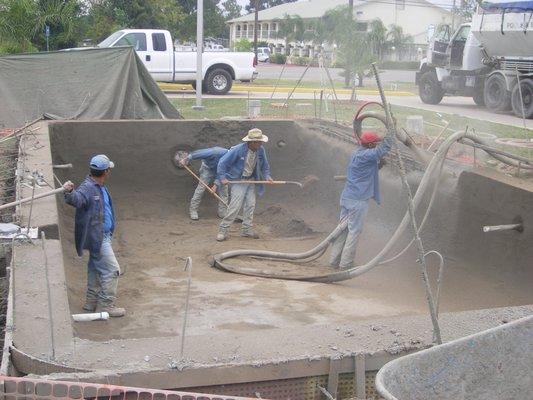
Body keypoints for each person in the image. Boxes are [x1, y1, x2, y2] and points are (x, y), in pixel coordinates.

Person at [62, 155, 125, 317]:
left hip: (101, 236)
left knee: (95, 268)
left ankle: (91, 302)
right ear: (105, 172)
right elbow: (77, 199)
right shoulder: (88, 188)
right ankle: (106, 305)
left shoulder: (98, 186)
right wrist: (70, 192)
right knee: (112, 270)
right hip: (98, 238)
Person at [329, 131, 393, 269]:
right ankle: (346, 264)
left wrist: (377, 162)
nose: (377, 145)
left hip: (348, 197)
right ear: (370, 145)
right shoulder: (367, 155)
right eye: (375, 143)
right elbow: (383, 149)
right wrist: (391, 133)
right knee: (354, 231)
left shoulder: (358, 153)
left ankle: (334, 261)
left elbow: (373, 158)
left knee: (342, 230)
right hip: (357, 201)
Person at [215, 128, 273, 242]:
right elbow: (222, 163)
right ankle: (223, 230)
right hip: (239, 181)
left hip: (251, 180)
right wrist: (222, 177)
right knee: (235, 206)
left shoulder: (260, 150)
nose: (261, 143)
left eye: (261, 141)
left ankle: (246, 230)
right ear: (251, 142)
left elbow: (264, 165)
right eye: (259, 141)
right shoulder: (237, 150)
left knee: (250, 205)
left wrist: (267, 176)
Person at [178, 147, 229, 220]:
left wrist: (215, 185)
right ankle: (193, 210)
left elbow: (222, 173)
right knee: (201, 189)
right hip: (207, 168)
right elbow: (197, 154)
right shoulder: (215, 152)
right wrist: (186, 159)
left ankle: (222, 212)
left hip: (220, 172)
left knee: (224, 191)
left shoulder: (231, 160)